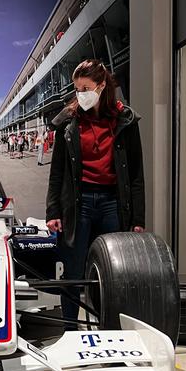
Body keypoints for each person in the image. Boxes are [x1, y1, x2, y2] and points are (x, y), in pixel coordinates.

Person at [45, 59, 144, 329]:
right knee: (73, 270)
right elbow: (57, 172)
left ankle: (109, 328)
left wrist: (137, 217)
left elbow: (135, 174)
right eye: (77, 89)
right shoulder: (68, 121)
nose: (81, 95)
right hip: (78, 204)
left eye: (86, 88)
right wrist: (53, 211)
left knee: (113, 271)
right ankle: (69, 328)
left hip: (113, 203)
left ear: (101, 86)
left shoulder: (126, 120)